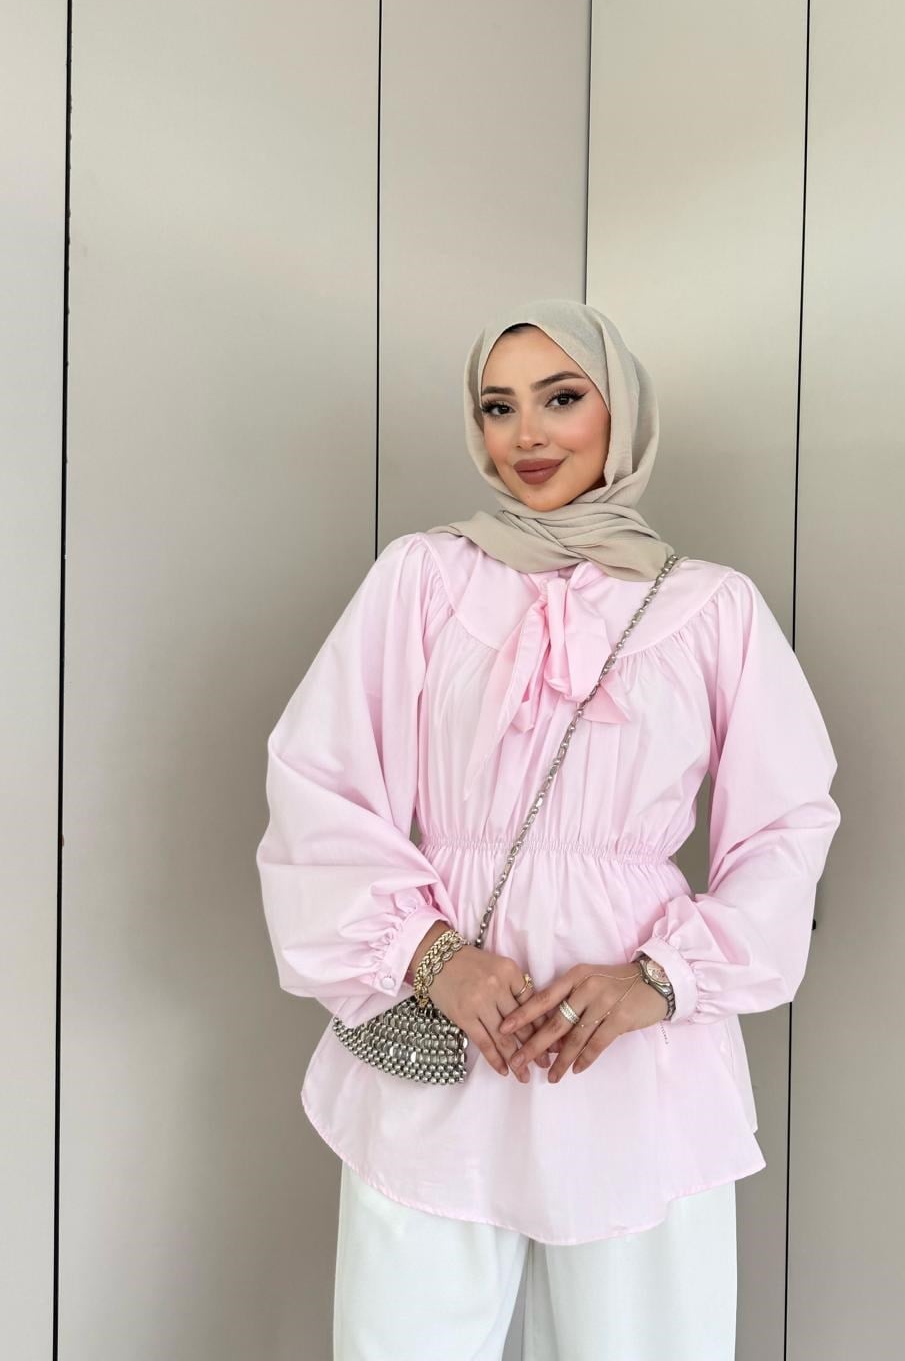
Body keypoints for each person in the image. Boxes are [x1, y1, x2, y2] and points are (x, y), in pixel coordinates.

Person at [255, 299, 841, 1360]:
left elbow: (787, 828)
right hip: (446, 1027)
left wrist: (661, 979)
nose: (525, 434)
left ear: (622, 412)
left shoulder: (712, 608)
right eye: (498, 406)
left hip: (632, 1049)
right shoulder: (422, 578)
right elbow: (321, 781)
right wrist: (431, 956)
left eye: (561, 398)